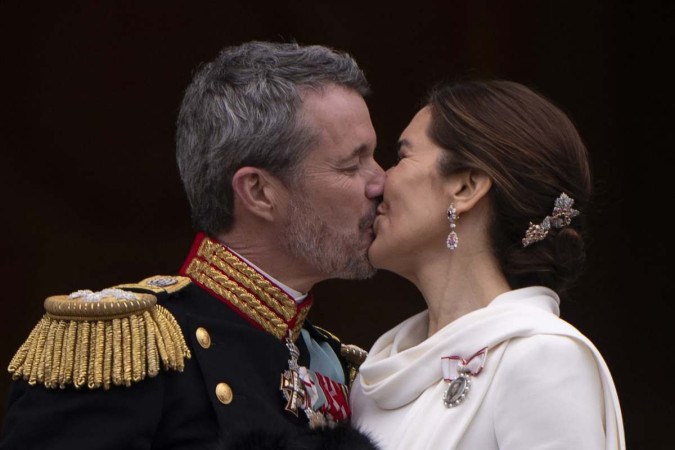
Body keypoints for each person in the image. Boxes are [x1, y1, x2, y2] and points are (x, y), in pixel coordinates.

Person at [1, 41, 384, 449]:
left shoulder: (332, 361)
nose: (381, 181)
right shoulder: (129, 348)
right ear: (258, 191)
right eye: (351, 165)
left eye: (375, 157)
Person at [349, 79, 625, 449]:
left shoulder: (541, 358)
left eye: (402, 157)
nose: (380, 181)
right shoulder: (373, 380)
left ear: (466, 187)